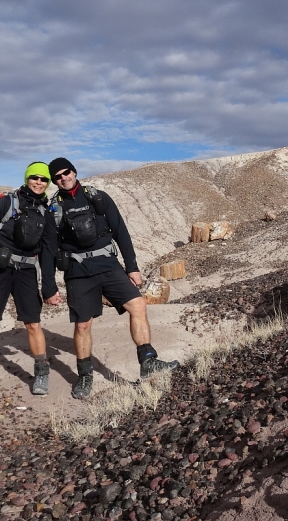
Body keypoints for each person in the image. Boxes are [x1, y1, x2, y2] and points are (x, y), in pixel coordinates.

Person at [41, 157, 179, 399]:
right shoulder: (54, 209)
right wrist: (49, 287)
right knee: (83, 324)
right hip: (78, 272)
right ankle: (84, 376)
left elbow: (120, 231)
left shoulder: (98, 197)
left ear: (74, 171)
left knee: (137, 305)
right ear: (55, 181)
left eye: (66, 172)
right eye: (58, 176)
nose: (63, 178)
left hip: (108, 266)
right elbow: (49, 249)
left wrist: (132, 267)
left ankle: (148, 362)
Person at [0, 162, 54, 395]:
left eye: (44, 179)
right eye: (34, 177)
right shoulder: (6, 201)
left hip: (26, 271)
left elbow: (46, 251)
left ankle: (41, 374)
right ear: (27, 178)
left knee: (33, 323)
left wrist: (48, 285)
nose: (39, 182)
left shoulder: (46, 210)